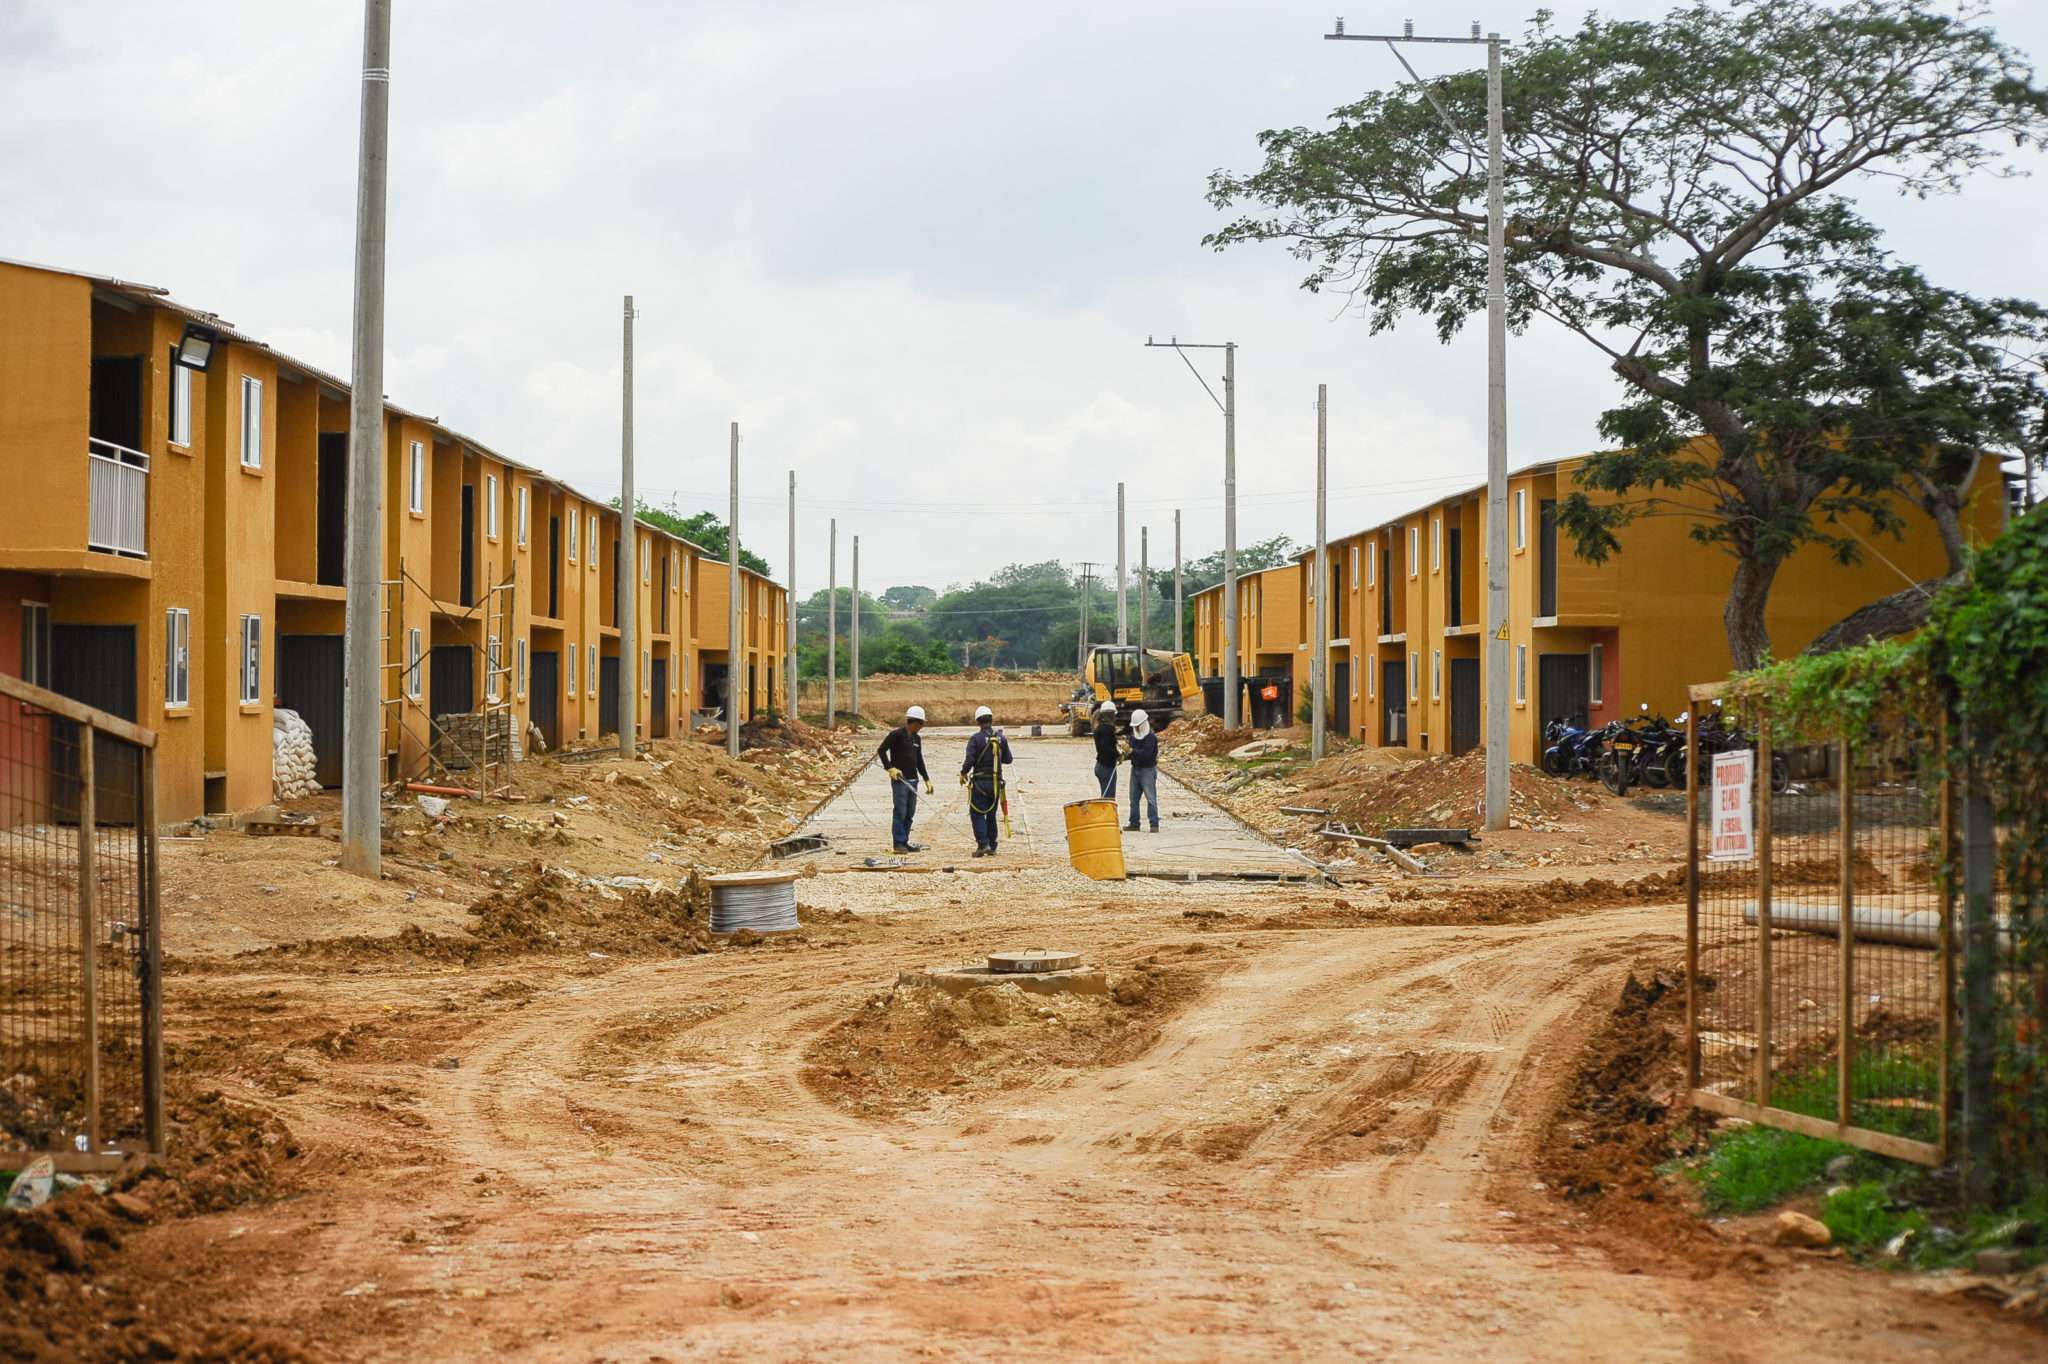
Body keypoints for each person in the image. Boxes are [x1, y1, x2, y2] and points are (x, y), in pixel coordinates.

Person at [876, 705, 933, 853]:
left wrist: (926, 778)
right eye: (921, 724)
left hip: (913, 780)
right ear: (914, 722)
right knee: (900, 811)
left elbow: (919, 759)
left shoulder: (916, 738)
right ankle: (898, 843)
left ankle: (905, 841)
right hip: (900, 780)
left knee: (910, 812)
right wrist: (890, 768)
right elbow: (881, 750)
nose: (921, 727)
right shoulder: (896, 735)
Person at [960, 705, 1014, 857]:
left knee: (976, 813)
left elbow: (970, 760)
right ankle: (992, 845)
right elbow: (1008, 760)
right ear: (991, 719)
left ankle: (983, 844)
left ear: (978, 721)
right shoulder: (1000, 738)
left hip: (980, 783)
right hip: (996, 783)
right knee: (991, 813)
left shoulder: (975, 739)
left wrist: (963, 773)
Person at [1124, 707, 1160, 833]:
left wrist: (1132, 751)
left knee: (1150, 798)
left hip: (1147, 770)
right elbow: (1132, 752)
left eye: (1138, 725)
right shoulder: (1133, 736)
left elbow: (1146, 754)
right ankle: (1134, 822)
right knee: (1133, 798)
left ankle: (1154, 823)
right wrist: (1124, 755)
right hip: (1135, 769)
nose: (1137, 728)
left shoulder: (1150, 737)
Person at [1092, 700, 1120, 797]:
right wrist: (1118, 755)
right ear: (1110, 714)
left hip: (1101, 765)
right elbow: (1106, 749)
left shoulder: (1099, 728)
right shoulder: (1107, 729)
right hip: (1106, 767)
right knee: (1108, 798)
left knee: (1105, 796)